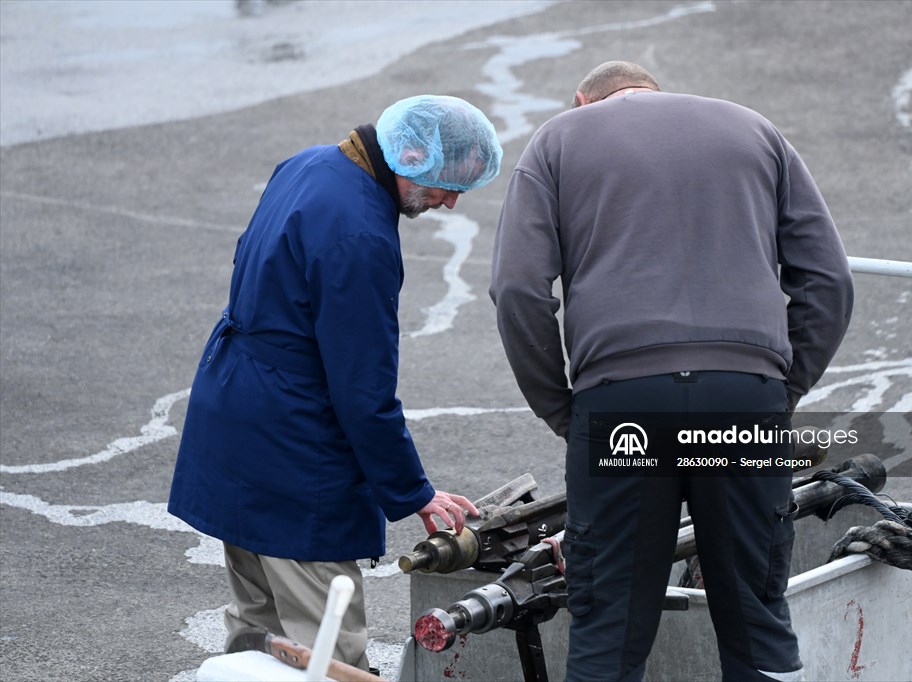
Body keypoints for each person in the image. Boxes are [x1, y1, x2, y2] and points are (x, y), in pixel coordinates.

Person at [490, 62, 854, 681]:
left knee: (608, 621)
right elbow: (828, 282)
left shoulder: (558, 138)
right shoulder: (754, 130)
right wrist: (779, 389)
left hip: (621, 400)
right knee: (756, 612)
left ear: (584, 101)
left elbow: (519, 289)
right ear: (655, 90)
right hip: (743, 394)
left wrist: (564, 408)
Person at [168, 94, 503, 670]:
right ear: (411, 154)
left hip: (233, 410)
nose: (449, 201)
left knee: (256, 631)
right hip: (292, 449)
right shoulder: (363, 237)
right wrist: (415, 494)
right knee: (329, 653)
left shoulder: (309, 163)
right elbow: (363, 392)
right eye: (449, 185)